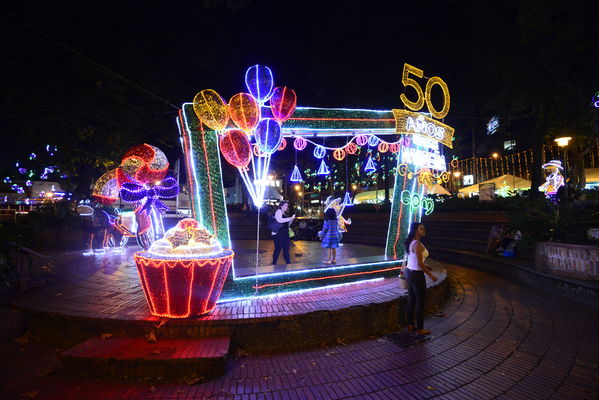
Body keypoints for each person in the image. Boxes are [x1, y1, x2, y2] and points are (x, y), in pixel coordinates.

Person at [404, 222, 437, 336]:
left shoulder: (411, 242)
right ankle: (420, 328)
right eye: (421, 228)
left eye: (424, 228)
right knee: (420, 301)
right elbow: (419, 263)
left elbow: (414, 259)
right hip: (416, 275)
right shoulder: (417, 244)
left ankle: (410, 324)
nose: (424, 230)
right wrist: (430, 275)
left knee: (412, 299)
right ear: (415, 230)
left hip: (410, 272)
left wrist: (425, 265)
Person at [271, 201, 295, 265]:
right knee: (278, 249)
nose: (287, 207)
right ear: (281, 206)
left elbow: (287, 224)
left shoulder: (284, 214)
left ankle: (288, 264)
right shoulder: (278, 211)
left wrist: (291, 220)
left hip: (285, 234)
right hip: (278, 234)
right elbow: (279, 220)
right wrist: (289, 218)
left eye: (287, 206)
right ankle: (274, 264)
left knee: (286, 249)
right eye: (285, 205)